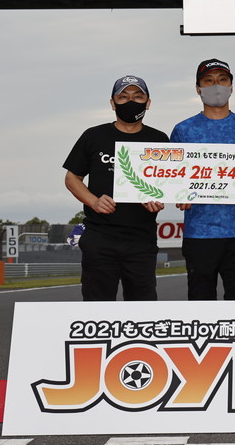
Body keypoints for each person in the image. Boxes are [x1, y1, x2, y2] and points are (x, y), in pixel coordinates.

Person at [64, 75, 168, 301]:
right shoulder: (94, 136)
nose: (131, 102)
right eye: (123, 97)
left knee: (143, 309)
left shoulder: (159, 140)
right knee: (97, 307)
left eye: (137, 97)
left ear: (148, 103)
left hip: (141, 239)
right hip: (99, 236)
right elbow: (72, 178)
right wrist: (93, 201)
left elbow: (168, 184)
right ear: (113, 103)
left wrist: (159, 200)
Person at [170, 59, 235, 300]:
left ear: (231, 86)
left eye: (222, 80)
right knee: (200, 304)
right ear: (198, 88)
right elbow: (170, 177)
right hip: (199, 232)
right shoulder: (183, 130)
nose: (216, 86)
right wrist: (178, 194)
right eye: (209, 81)